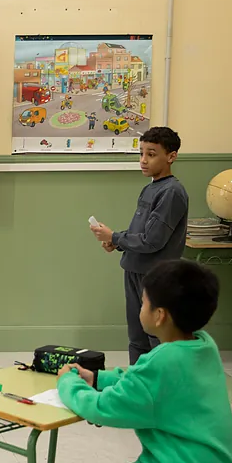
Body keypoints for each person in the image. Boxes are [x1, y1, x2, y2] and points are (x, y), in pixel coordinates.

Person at [57, 259, 232, 463]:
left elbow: (103, 408)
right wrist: (99, 378)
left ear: (160, 315)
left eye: (143, 303)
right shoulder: (203, 346)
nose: (140, 308)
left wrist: (68, 383)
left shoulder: (161, 363)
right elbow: (143, 380)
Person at [89, 126, 188, 364]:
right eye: (141, 153)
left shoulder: (172, 192)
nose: (143, 160)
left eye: (151, 154)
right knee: (137, 337)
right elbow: (140, 232)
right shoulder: (151, 188)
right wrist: (116, 241)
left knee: (156, 337)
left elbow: (153, 240)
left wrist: (115, 237)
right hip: (134, 270)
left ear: (171, 156)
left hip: (154, 276)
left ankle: (159, 384)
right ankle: (138, 382)